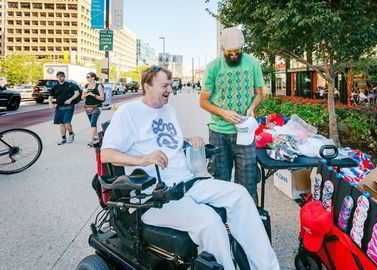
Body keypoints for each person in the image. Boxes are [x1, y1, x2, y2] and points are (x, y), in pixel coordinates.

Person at [101, 66, 279, 270]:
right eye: (164, 85)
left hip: (187, 183)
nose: (170, 89)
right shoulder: (128, 112)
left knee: (240, 194)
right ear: (147, 86)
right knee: (210, 221)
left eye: (170, 84)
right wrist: (144, 159)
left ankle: (267, 267)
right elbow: (108, 154)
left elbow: (171, 141)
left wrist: (189, 141)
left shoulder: (168, 109)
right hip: (155, 198)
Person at [200, 27, 264, 201]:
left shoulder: (253, 64)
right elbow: (203, 101)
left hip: (244, 132)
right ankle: (223, 223)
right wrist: (223, 113)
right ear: (223, 49)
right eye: (230, 52)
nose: (234, 55)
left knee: (248, 183)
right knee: (221, 182)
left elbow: (259, 93)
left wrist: (252, 108)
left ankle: (249, 222)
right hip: (218, 132)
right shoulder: (213, 67)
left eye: (237, 52)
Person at [48, 71, 80, 145]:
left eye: (61, 76)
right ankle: (63, 138)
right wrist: (50, 102)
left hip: (69, 107)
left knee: (66, 123)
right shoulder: (55, 87)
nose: (60, 77)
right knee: (61, 124)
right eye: (58, 76)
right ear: (57, 77)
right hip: (59, 108)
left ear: (64, 77)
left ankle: (71, 134)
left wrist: (70, 99)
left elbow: (77, 93)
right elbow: (51, 96)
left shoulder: (70, 85)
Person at [82, 72, 105, 147]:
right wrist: (85, 94)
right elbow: (82, 98)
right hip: (87, 107)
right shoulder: (86, 86)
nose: (87, 78)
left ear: (93, 77)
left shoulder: (98, 86)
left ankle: (91, 140)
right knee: (93, 124)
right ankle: (96, 137)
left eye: (88, 77)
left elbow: (102, 98)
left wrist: (92, 94)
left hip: (97, 106)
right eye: (86, 77)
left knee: (93, 123)